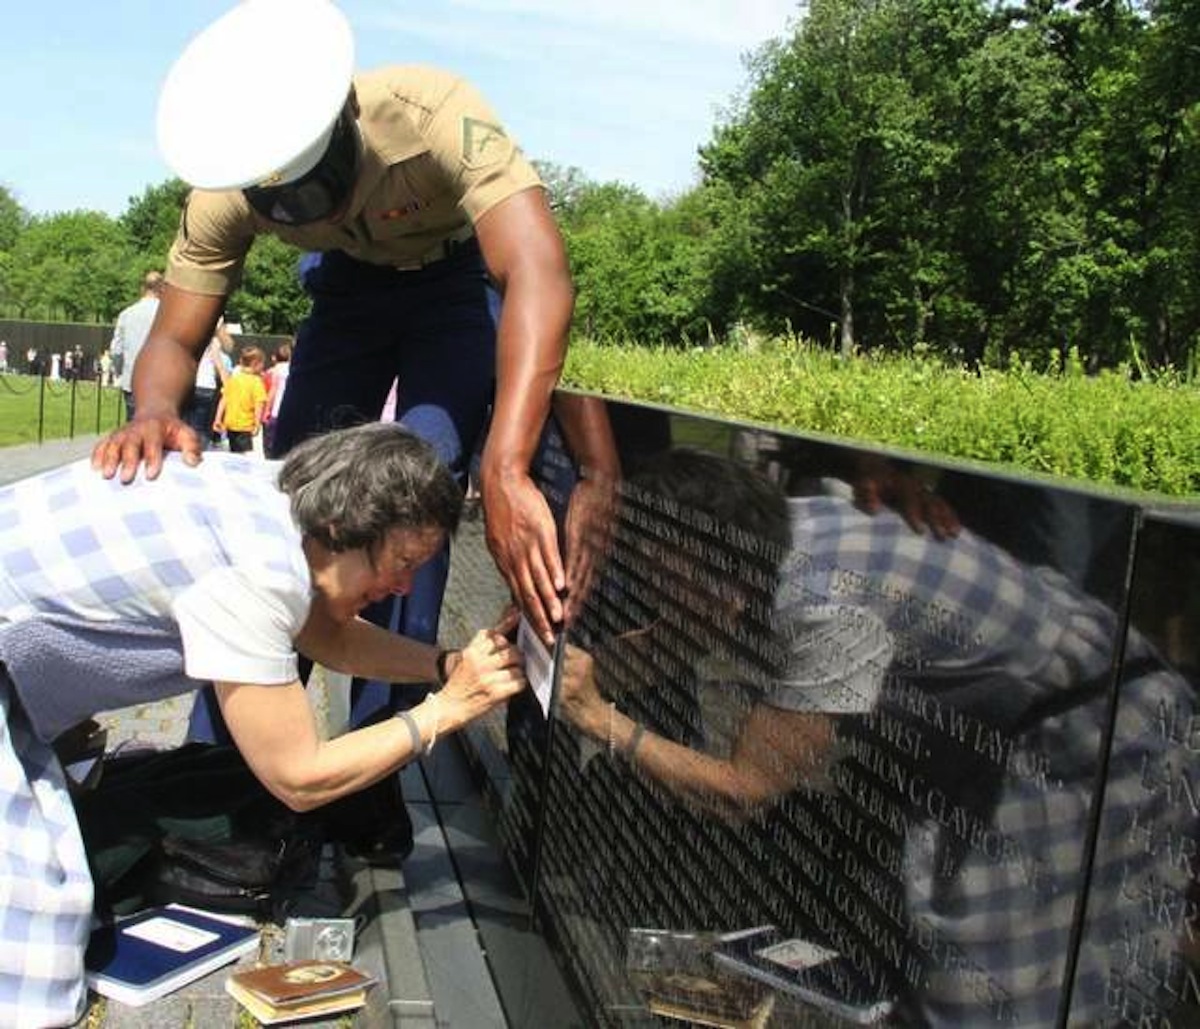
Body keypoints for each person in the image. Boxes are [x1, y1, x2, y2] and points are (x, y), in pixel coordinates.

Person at [90, 0, 603, 655]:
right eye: (282, 203)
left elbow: (538, 269)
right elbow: (174, 334)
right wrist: (155, 408)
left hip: (450, 283)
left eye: (316, 184)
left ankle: (395, 720)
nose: (301, 208)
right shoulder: (223, 189)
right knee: (294, 490)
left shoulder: (433, 111)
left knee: (414, 490)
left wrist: (505, 468)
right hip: (348, 287)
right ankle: (231, 720)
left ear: (347, 119)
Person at [0, 421, 527, 1026]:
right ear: (344, 527)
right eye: (402, 561)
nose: (403, 586)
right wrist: (449, 709)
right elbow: (299, 778)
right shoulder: (254, 576)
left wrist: (444, 664)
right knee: (32, 960)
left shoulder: (280, 501)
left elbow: (324, 633)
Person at [108, 271, 164, 420]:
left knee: (133, 428)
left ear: (143, 288)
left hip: (132, 380)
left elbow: (116, 350)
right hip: (159, 383)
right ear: (161, 288)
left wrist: (120, 372)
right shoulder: (166, 315)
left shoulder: (126, 314)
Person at [183, 322, 233, 449]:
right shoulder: (213, 341)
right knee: (201, 427)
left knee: (186, 423)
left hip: (189, 384)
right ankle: (199, 452)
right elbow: (218, 363)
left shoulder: (190, 337)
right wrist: (227, 383)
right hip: (205, 385)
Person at [214, 345, 268, 454]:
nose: (263, 366)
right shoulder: (256, 381)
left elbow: (224, 399)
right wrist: (257, 424)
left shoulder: (233, 378)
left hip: (230, 424)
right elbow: (259, 404)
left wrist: (217, 418)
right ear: (255, 363)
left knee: (234, 452)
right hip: (245, 425)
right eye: (262, 363)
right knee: (243, 456)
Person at [263, 339, 292, 455]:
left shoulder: (276, 370)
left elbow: (273, 391)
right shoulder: (294, 367)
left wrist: (266, 410)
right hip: (289, 411)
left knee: (271, 443)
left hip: (276, 410)